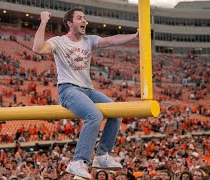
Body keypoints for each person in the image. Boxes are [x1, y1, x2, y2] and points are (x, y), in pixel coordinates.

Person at [33, 7, 139, 179]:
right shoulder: (59, 41)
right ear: (69, 23)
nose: (84, 21)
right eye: (80, 18)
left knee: (117, 111)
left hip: (88, 90)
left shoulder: (89, 40)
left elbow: (111, 40)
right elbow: (37, 48)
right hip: (68, 89)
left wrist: (134, 36)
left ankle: (102, 155)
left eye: (85, 18)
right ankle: (79, 161)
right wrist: (44, 21)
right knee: (94, 116)